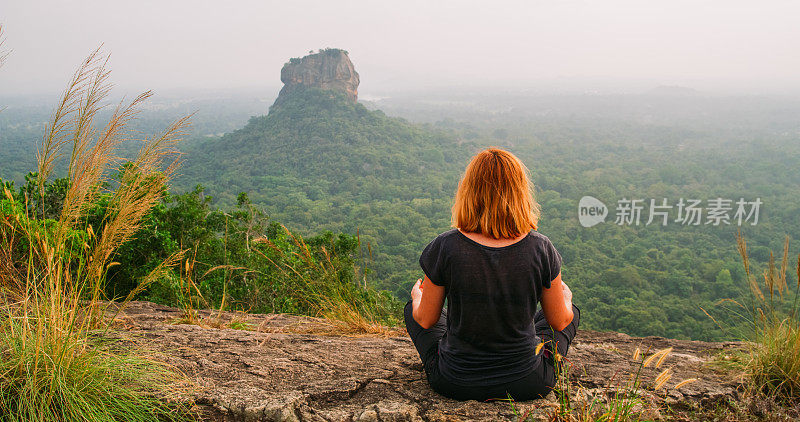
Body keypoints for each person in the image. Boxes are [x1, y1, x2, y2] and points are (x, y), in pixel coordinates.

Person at [404, 147, 580, 401]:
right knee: (569, 314)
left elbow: (426, 320)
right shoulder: (541, 248)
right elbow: (559, 322)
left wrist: (418, 300)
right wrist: (566, 301)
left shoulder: (446, 246)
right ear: (520, 193)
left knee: (413, 308)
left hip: (455, 382)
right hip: (527, 382)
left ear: (469, 191)